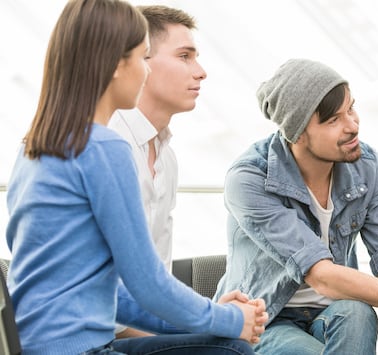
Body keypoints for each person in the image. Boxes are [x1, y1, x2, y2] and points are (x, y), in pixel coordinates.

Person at [4, 1, 267, 353]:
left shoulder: (34, 148)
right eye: (142, 58)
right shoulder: (102, 147)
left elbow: (114, 297)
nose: (145, 72)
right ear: (115, 63)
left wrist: (218, 317)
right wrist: (232, 322)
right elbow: (147, 283)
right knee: (231, 350)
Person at [213, 58, 378, 355]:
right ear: (298, 133)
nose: (352, 125)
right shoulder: (251, 178)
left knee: (358, 312)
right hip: (264, 319)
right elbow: (321, 275)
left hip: (334, 314)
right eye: (333, 120)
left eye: (351, 109)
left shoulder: (367, 168)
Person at [107, 4, 207, 339]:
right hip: (99, 332)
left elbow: (158, 281)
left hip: (138, 327)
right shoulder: (108, 146)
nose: (200, 71)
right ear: (142, 60)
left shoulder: (167, 158)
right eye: (184, 56)